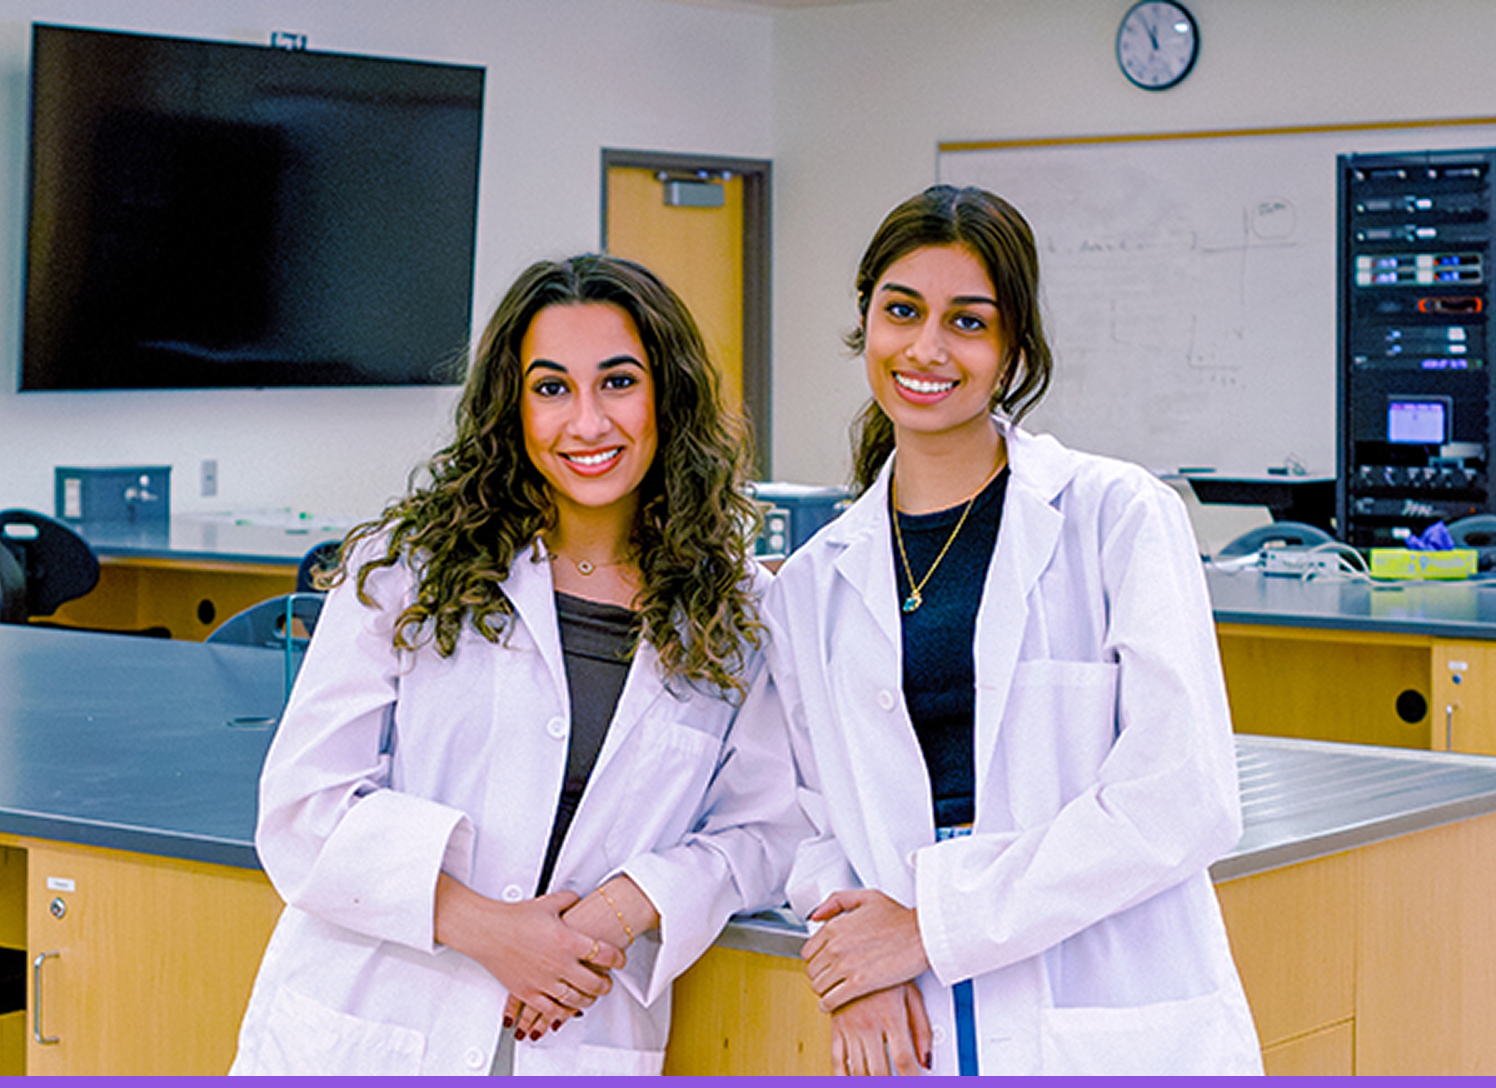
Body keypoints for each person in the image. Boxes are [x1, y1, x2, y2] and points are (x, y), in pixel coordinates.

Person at [230, 253, 804, 1076]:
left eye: (618, 382)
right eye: (551, 388)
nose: (587, 422)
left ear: (666, 394)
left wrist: (619, 908)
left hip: (579, 1030)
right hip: (374, 1019)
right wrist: (490, 930)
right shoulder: (406, 567)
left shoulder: (735, 607)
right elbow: (301, 807)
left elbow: (766, 830)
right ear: (512, 405)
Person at [764, 185, 1263, 1076]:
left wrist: (928, 928)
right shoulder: (810, 584)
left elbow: (1182, 796)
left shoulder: (1116, 517)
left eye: (968, 321)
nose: (926, 349)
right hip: (911, 1009)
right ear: (866, 321)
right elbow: (805, 815)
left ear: (1013, 349)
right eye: (902, 311)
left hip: (1098, 984)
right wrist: (859, 959)